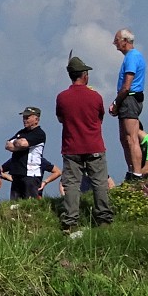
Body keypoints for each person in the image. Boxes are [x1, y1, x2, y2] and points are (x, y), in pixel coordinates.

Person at [57, 55, 113, 230]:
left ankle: (71, 220)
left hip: (71, 146)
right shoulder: (95, 97)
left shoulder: (62, 97)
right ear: (84, 75)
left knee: (72, 184)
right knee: (99, 182)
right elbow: (100, 117)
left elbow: (60, 118)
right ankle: (103, 218)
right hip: (94, 145)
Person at [111, 28, 147, 179]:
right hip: (128, 99)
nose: (115, 43)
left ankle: (137, 173)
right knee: (125, 138)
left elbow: (127, 85)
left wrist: (116, 102)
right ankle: (132, 170)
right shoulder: (131, 57)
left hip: (130, 98)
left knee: (132, 138)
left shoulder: (132, 57)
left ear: (125, 41)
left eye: (117, 40)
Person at [3, 107, 47, 200]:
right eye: (24, 117)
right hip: (17, 173)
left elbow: (23, 144)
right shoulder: (21, 132)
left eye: (27, 117)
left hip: (31, 175)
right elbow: (7, 145)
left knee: (30, 203)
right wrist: (18, 145)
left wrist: (17, 144)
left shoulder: (39, 133)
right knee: (15, 203)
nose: (24, 120)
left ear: (36, 119)